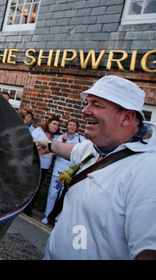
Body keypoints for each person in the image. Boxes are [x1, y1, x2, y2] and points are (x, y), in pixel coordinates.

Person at [36, 76, 156, 260]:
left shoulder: (148, 171)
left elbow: (148, 251)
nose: (85, 111)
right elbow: (74, 150)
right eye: (87, 103)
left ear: (127, 117)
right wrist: (49, 145)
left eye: (96, 105)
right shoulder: (95, 147)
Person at [41, 118, 85, 224]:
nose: (72, 127)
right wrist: (63, 142)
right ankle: (48, 215)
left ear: (77, 128)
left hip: (71, 172)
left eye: (74, 125)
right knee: (53, 193)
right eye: (70, 124)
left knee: (64, 197)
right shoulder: (59, 137)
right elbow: (53, 150)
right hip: (58, 170)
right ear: (67, 126)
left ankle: (58, 219)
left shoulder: (81, 140)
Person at [24, 115, 61, 216]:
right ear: (48, 124)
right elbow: (30, 143)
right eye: (54, 124)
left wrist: (53, 153)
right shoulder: (39, 131)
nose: (55, 126)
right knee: (28, 185)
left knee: (37, 188)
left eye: (57, 125)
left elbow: (58, 151)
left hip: (45, 167)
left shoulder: (57, 138)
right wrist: (40, 151)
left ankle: (29, 209)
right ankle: (20, 205)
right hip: (34, 162)